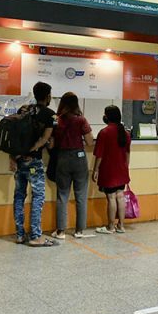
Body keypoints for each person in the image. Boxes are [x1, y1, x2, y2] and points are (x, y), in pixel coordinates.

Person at [10, 81, 57, 247]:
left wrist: (14, 157)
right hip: (34, 162)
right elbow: (46, 140)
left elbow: (14, 136)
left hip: (19, 161)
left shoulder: (24, 110)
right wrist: (31, 149)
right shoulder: (50, 115)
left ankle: (20, 235)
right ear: (48, 96)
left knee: (19, 196)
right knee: (38, 197)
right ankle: (36, 235)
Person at [51, 92, 94, 240]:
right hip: (79, 158)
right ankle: (79, 230)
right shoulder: (81, 120)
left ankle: (61, 232)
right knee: (81, 195)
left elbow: (51, 143)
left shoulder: (57, 120)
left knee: (62, 195)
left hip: (62, 158)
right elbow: (90, 142)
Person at [93, 106, 132, 234]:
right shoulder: (125, 133)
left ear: (108, 117)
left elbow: (99, 155)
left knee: (111, 197)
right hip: (121, 170)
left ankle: (110, 226)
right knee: (120, 196)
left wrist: (95, 170)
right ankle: (121, 226)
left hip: (108, 170)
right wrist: (126, 167)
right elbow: (127, 153)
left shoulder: (104, 132)